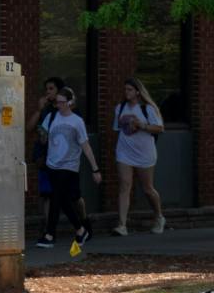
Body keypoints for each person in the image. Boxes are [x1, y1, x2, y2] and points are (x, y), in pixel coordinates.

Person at [39, 87, 99, 248]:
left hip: (69, 165)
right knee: (60, 198)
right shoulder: (52, 117)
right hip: (52, 164)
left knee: (57, 196)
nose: (58, 105)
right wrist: (43, 136)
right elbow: (43, 136)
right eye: (57, 102)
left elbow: (85, 145)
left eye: (62, 102)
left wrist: (95, 168)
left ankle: (50, 234)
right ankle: (80, 229)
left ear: (70, 103)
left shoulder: (76, 121)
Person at [111, 77, 166, 236]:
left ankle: (159, 217)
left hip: (144, 153)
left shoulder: (147, 108)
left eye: (129, 89)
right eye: (125, 89)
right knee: (124, 186)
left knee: (148, 189)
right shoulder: (120, 108)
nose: (126, 92)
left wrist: (142, 125)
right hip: (124, 152)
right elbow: (118, 129)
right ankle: (122, 225)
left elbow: (159, 128)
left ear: (137, 91)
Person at [32, 77, 66, 242]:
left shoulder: (65, 111)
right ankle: (48, 228)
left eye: (51, 89)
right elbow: (30, 128)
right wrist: (39, 110)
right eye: (47, 89)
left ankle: (82, 223)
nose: (48, 92)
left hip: (62, 157)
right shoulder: (45, 111)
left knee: (69, 195)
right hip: (44, 155)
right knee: (46, 193)